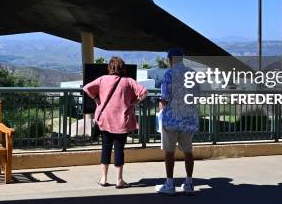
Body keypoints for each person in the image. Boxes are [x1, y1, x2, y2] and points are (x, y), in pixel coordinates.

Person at [83, 56, 147, 188]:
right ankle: (119, 180)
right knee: (119, 149)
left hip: (105, 119)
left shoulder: (102, 79)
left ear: (110, 68)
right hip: (121, 121)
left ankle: (103, 179)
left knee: (105, 148)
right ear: (122, 68)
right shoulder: (128, 81)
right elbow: (144, 92)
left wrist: (96, 99)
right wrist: (134, 103)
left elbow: (86, 88)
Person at [156, 48, 199, 195]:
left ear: (170, 59)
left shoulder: (169, 74)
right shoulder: (193, 73)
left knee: (169, 152)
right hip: (188, 119)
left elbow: (165, 97)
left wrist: (161, 110)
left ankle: (169, 184)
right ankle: (189, 183)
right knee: (188, 152)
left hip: (172, 120)